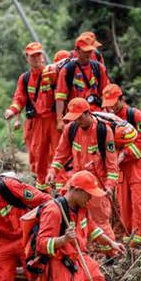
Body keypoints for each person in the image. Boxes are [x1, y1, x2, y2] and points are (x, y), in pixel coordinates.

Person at [45, 98, 119, 246]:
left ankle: (111, 255)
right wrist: (53, 170)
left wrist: (109, 186)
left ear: (88, 113)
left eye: (79, 118)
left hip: (97, 186)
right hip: (77, 183)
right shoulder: (70, 129)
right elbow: (60, 155)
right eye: (74, 118)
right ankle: (81, 252)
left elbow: (112, 166)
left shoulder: (103, 131)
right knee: (71, 215)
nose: (77, 122)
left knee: (100, 221)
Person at [5, 42, 60, 192]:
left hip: (55, 119)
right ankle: (42, 191)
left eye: (38, 55)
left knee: (58, 153)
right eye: (32, 56)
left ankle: (62, 189)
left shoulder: (52, 73)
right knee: (38, 155)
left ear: (42, 56)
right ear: (27, 58)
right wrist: (12, 111)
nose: (36, 58)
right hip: (37, 122)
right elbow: (19, 98)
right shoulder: (25, 78)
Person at [102, 84, 141, 247]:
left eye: (113, 103)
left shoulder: (135, 115)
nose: (111, 107)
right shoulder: (108, 119)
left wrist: (124, 153)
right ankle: (130, 243)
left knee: (139, 207)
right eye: (108, 104)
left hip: (137, 168)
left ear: (122, 99)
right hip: (121, 170)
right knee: (124, 208)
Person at [55, 34, 111, 130]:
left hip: (97, 114)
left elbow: (105, 92)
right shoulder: (68, 70)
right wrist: (59, 120)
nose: (88, 54)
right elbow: (60, 97)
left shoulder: (99, 68)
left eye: (90, 51)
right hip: (76, 117)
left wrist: (109, 111)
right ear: (77, 50)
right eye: (85, 51)